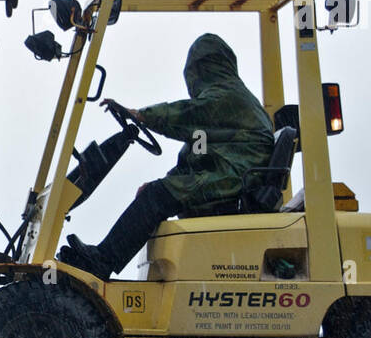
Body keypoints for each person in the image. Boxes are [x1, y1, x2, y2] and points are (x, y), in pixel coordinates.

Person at [60, 33, 275, 279]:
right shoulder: (217, 112)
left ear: (205, 69)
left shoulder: (227, 98)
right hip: (228, 175)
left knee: (156, 197)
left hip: (236, 180)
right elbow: (196, 156)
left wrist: (141, 115)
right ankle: (104, 256)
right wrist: (164, 182)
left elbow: (186, 114)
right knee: (157, 193)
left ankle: (102, 260)